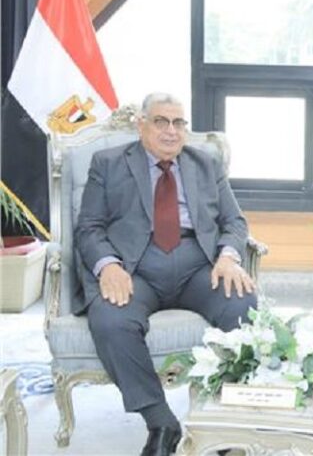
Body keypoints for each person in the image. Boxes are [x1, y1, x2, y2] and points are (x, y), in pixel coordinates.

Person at [75, 93, 256, 456]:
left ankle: (223, 422)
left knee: (242, 305)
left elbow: (234, 222)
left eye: (178, 123)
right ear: (141, 124)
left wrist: (228, 256)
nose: (171, 131)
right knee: (110, 320)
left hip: (199, 264)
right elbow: (89, 227)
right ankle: (160, 422)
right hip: (134, 267)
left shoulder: (206, 163)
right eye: (161, 121)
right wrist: (108, 264)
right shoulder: (108, 163)